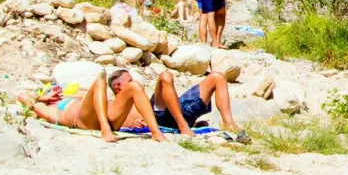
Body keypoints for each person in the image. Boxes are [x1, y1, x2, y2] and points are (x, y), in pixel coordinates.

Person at [31, 69, 168, 144]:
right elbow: (25, 98)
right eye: (51, 91)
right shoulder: (49, 108)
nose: (54, 92)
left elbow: (92, 97)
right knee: (100, 82)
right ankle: (105, 128)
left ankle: (156, 132)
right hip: (85, 121)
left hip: (108, 118)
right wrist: (44, 97)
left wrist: (64, 94)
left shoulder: (70, 97)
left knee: (135, 86)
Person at [152, 68, 246, 137]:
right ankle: (182, 125)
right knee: (165, 75)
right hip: (163, 114)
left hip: (184, 111)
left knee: (218, 77)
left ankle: (229, 123)